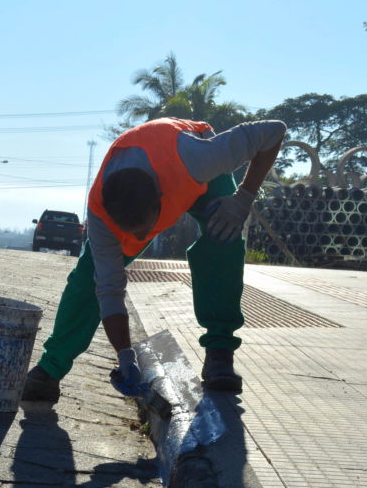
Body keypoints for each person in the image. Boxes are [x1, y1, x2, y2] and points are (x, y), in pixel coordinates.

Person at [20, 116, 286, 408]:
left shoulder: (200, 158)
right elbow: (109, 290)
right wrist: (125, 355)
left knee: (224, 236)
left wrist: (243, 199)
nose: (144, 237)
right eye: (133, 233)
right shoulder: (100, 214)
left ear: (162, 199)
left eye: (147, 227)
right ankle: (51, 369)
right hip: (152, 183)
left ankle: (220, 352)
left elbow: (274, 131)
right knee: (90, 277)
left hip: (191, 170)